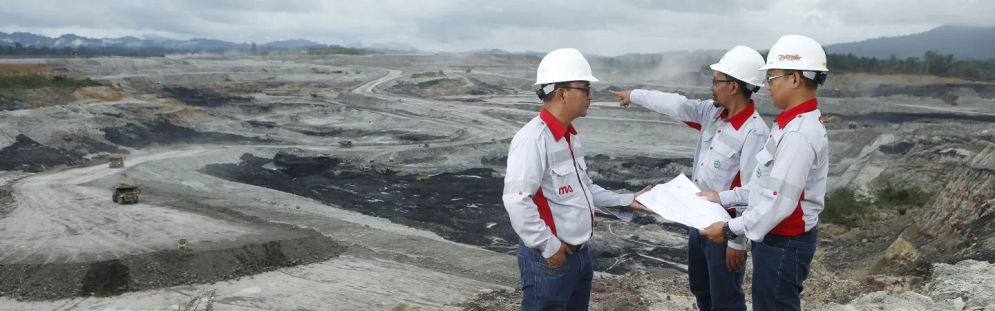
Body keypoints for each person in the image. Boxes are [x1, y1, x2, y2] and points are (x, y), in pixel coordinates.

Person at [610, 45, 769, 311]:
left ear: (733, 86)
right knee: (702, 292)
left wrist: (737, 242)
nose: (712, 86)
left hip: (724, 230)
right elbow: (677, 105)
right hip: (697, 223)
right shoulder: (712, 113)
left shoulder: (755, 133)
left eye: (716, 81)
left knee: (726, 300)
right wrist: (634, 95)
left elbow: (752, 191)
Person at [502, 48, 652, 310]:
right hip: (549, 260)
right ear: (562, 93)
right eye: (584, 88)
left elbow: (583, 188)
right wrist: (549, 247)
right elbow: (516, 200)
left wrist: (627, 200)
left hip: (579, 256)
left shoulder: (569, 135)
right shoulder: (532, 139)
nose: (590, 96)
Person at [698, 35, 830, 311]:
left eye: (772, 77)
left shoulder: (798, 134)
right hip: (775, 238)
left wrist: (729, 229)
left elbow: (778, 202)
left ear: (795, 78)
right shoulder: (788, 125)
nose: (768, 86)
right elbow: (763, 186)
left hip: (784, 242)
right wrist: (722, 197)